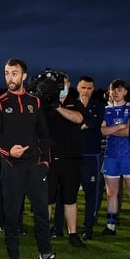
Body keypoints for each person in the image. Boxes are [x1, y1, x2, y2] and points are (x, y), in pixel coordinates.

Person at [0, 58, 61, 259]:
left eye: (14, 73)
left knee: (41, 213)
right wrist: (9, 151)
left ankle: (45, 256)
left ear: (24, 76)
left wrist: (45, 163)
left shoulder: (35, 102)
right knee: (12, 215)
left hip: (35, 167)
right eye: (6, 73)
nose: (9, 77)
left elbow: (44, 135)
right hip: (12, 167)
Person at [43, 73, 86, 247]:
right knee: (47, 198)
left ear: (69, 83)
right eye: (58, 83)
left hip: (70, 158)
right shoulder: (44, 103)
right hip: (50, 158)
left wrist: (58, 107)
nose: (61, 86)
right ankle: (44, 232)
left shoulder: (75, 102)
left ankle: (73, 234)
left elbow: (79, 118)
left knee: (70, 198)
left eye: (64, 83)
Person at [101, 79, 130, 241]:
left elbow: (129, 132)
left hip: (129, 156)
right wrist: (119, 127)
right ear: (110, 92)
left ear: (125, 91)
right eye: (113, 90)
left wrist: (112, 129)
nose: (116, 93)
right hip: (111, 156)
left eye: (119, 90)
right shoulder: (105, 110)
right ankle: (110, 226)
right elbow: (102, 131)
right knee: (112, 193)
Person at [76, 76, 104, 241]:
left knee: (91, 193)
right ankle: (60, 227)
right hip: (72, 155)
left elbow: (95, 123)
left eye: (89, 88)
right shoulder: (70, 104)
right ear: (78, 88)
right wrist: (83, 123)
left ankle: (88, 227)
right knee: (66, 193)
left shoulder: (98, 106)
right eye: (83, 88)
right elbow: (70, 125)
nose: (86, 91)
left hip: (91, 155)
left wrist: (84, 112)